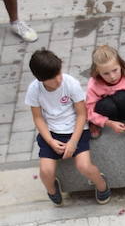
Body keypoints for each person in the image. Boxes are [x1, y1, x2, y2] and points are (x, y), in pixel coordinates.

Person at [27, 48, 109, 205]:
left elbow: (82, 115)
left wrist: (73, 142)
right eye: (52, 78)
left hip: (76, 130)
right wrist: (50, 141)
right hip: (51, 132)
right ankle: (52, 189)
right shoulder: (34, 90)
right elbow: (38, 118)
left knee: (84, 166)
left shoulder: (70, 83)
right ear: (40, 79)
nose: (58, 80)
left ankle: (102, 185)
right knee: (46, 171)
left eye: (58, 73)